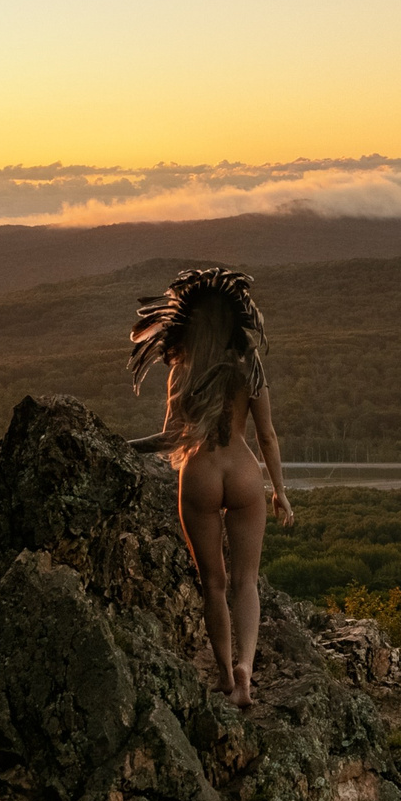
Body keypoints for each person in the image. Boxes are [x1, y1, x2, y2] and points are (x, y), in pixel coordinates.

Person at [129, 267, 293, 706]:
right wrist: (280, 491)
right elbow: (267, 436)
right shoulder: (248, 365)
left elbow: (171, 437)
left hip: (199, 473)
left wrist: (123, 447)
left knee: (213, 583)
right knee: (246, 581)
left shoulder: (181, 370)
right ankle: (246, 671)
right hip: (243, 472)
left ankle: (223, 673)